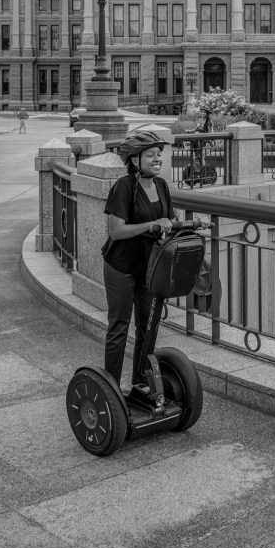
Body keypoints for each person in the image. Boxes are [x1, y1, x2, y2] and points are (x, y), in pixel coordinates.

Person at [101, 130, 177, 389]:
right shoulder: (124, 187)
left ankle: (140, 384)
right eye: (150, 155)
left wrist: (177, 225)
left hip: (149, 267)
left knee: (148, 326)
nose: (157, 159)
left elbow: (170, 219)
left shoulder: (161, 185)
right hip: (121, 266)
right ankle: (111, 388)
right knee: (119, 327)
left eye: (159, 154)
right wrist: (151, 225)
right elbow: (116, 231)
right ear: (135, 160)